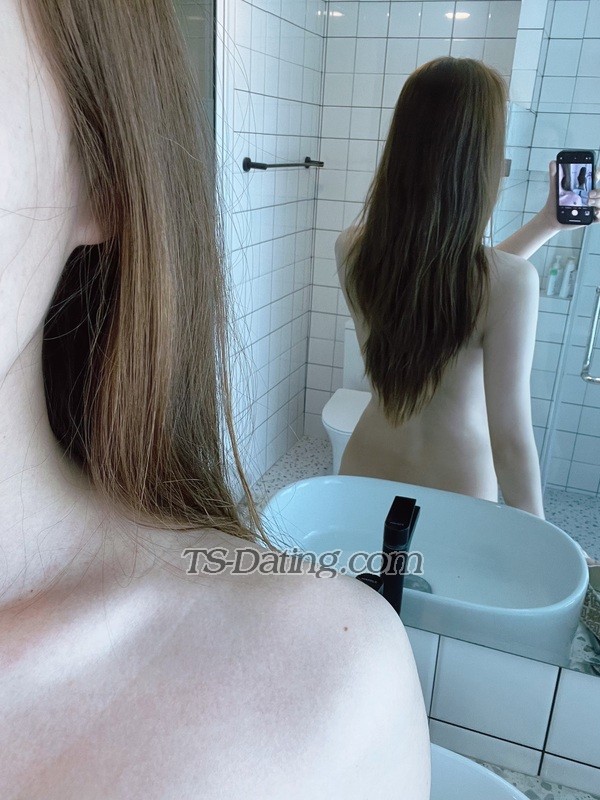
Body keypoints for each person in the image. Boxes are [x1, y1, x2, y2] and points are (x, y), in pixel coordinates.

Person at [0, 1, 430, 797]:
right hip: (463, 474)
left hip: (371, 447)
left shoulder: (355, 248)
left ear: (98, 171)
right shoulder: (509, 281)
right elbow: (512, 429)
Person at [336, 57, 599, 519]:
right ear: (480, 161)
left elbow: (451, 281)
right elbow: (510, 441)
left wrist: (546, 224)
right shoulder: (511, 285)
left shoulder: (353, 249)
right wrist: (537, 540)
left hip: (364, 467)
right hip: (455, 488)